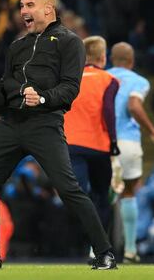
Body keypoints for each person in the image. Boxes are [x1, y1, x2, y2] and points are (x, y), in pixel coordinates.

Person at [0, 0, 116, 269]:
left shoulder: (70, 42)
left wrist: (42, 97)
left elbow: (70, 88)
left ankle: (104, 252)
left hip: (45, 124)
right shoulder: (17, 46)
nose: (23, 12)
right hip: (11, 125)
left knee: (69, 190)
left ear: (48, 8)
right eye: (21, 6)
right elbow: (3, 92)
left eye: (29, 5)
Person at [64, 36, 119, 238]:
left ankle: (85, 236)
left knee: (78, 195)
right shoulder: (109, 80)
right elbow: (108, 110)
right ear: (103, 57)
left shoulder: (69, 79)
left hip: (71, 145)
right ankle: (98, 247)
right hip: (99, 146)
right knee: (101, 197)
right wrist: (113, 140)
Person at [108, 42, 154, 263]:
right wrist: (152, 130)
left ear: (111, 59)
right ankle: (129, 250)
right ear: (132, 60)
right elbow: (134, 105)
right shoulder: (139, 81)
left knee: (101, 195)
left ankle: (95, 250)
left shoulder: (102, 78)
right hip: (128, 143)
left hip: (102, 143)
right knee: (128, 193)